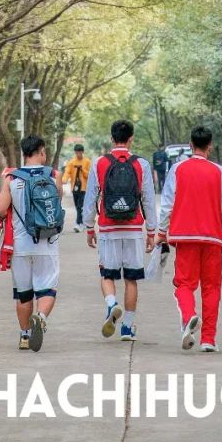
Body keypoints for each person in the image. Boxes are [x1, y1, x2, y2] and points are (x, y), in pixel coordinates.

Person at [155, 123, 222, 352]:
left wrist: (161, 232)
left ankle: (190, 315)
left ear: (191, 145)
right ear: (210, 146)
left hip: (185, 237)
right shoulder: (219, 172)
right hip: (213, 238)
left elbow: (167, 204)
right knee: (211, 287)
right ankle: (208, 339)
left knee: (184, 285)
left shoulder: (177, 170)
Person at [83, 117, 158, 342]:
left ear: (111, 138)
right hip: (134, 228)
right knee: (131, 279)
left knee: (107, 275)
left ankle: (111, 304)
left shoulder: (100, 163)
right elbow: (148, 199)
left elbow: (91, 198)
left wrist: (89, 226)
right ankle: (126, 327)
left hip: (108, 228)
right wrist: (152, 231)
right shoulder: (141, 164)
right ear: (131, 139)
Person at [0, 134, 64, 352]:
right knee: (47, 289)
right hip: (47, 244)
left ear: (23, 153)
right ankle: (41, 317)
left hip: (21, 246)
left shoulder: (11, 178)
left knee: (23, 293)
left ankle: (25, 336)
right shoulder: (54, 175)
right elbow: (56, 204)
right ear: (42, 152)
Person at [62, 143, 91, 232]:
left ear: (82, 152)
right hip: (74, 187)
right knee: (78, 206)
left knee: (80, 206)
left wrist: (82, 170)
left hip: (84, 188)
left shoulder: (87, 162)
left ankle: (79, 224)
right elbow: (67, 172)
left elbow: (89, 175)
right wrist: (64, 179)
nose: (78, 154)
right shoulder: (71, 162)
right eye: (77, 152)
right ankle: (82, 222)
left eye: (80, 152)